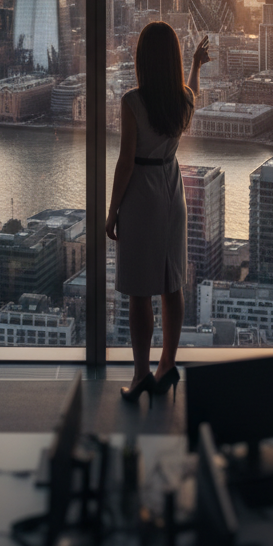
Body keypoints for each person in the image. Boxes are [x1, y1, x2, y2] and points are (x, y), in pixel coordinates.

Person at [107, 24, 210, 404]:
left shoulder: (132, 102)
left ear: (142, 60)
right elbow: (192, 92)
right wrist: (196, 65)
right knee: (171, 283)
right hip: (172, 188)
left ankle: (140, 374)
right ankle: (168, 364)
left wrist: (112, 212)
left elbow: (125, 162)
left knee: (139, 291)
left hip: (142, 194)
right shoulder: (181, 100)